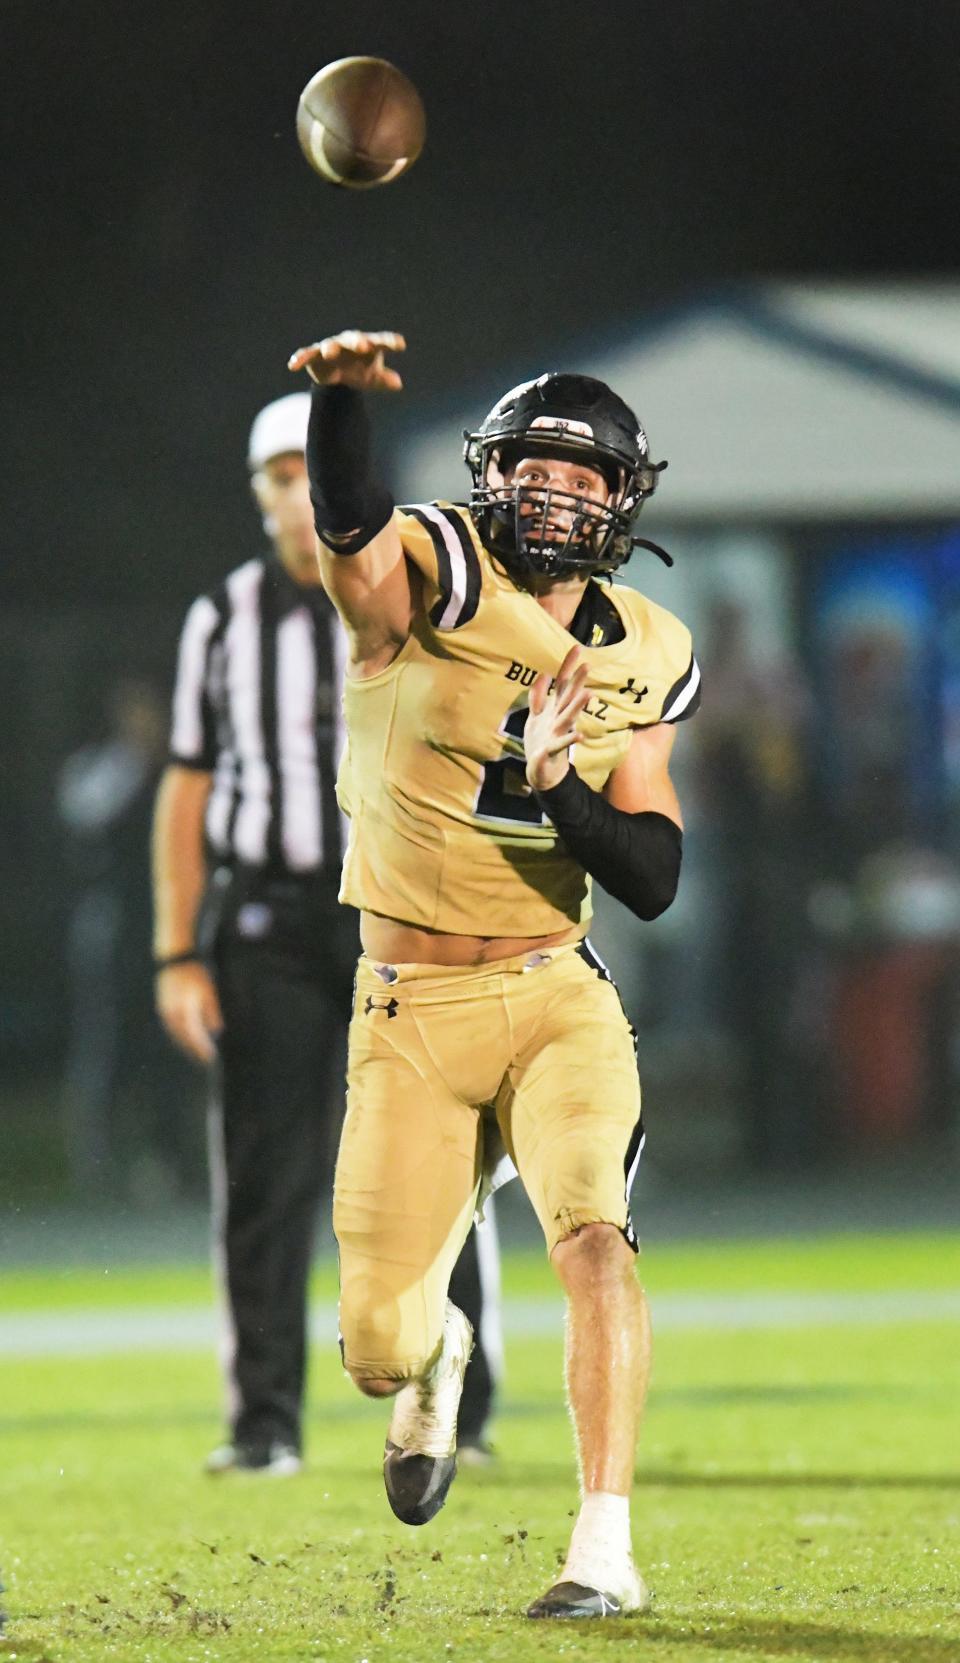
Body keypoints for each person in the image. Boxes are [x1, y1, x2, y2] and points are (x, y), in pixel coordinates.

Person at [286, 329, 700, 1617]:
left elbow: (651, 873)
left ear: (623, 505)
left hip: (554, 992)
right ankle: (440, 1354)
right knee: (375, 1345)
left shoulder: (647, 649)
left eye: (585, 482)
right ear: (490, 474)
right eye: (535, 470)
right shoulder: (433, 574)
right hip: (408, 1006)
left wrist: (558, 781)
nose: (555, 497)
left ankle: (603, 1549)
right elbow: (348, 526)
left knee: (597, 1243)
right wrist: (340, 407)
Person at [151, 390, 500, 1476]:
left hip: (402, 911)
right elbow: (186, 786)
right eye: (281, 480)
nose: (302, 502)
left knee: (436, 1162)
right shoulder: (223, 617)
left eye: (315, 474)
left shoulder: (425, 598)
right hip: (270, 914)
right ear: (258, 495)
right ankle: (265, 1424)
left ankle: (460, 1405)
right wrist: (174, 951)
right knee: (267, 1173)